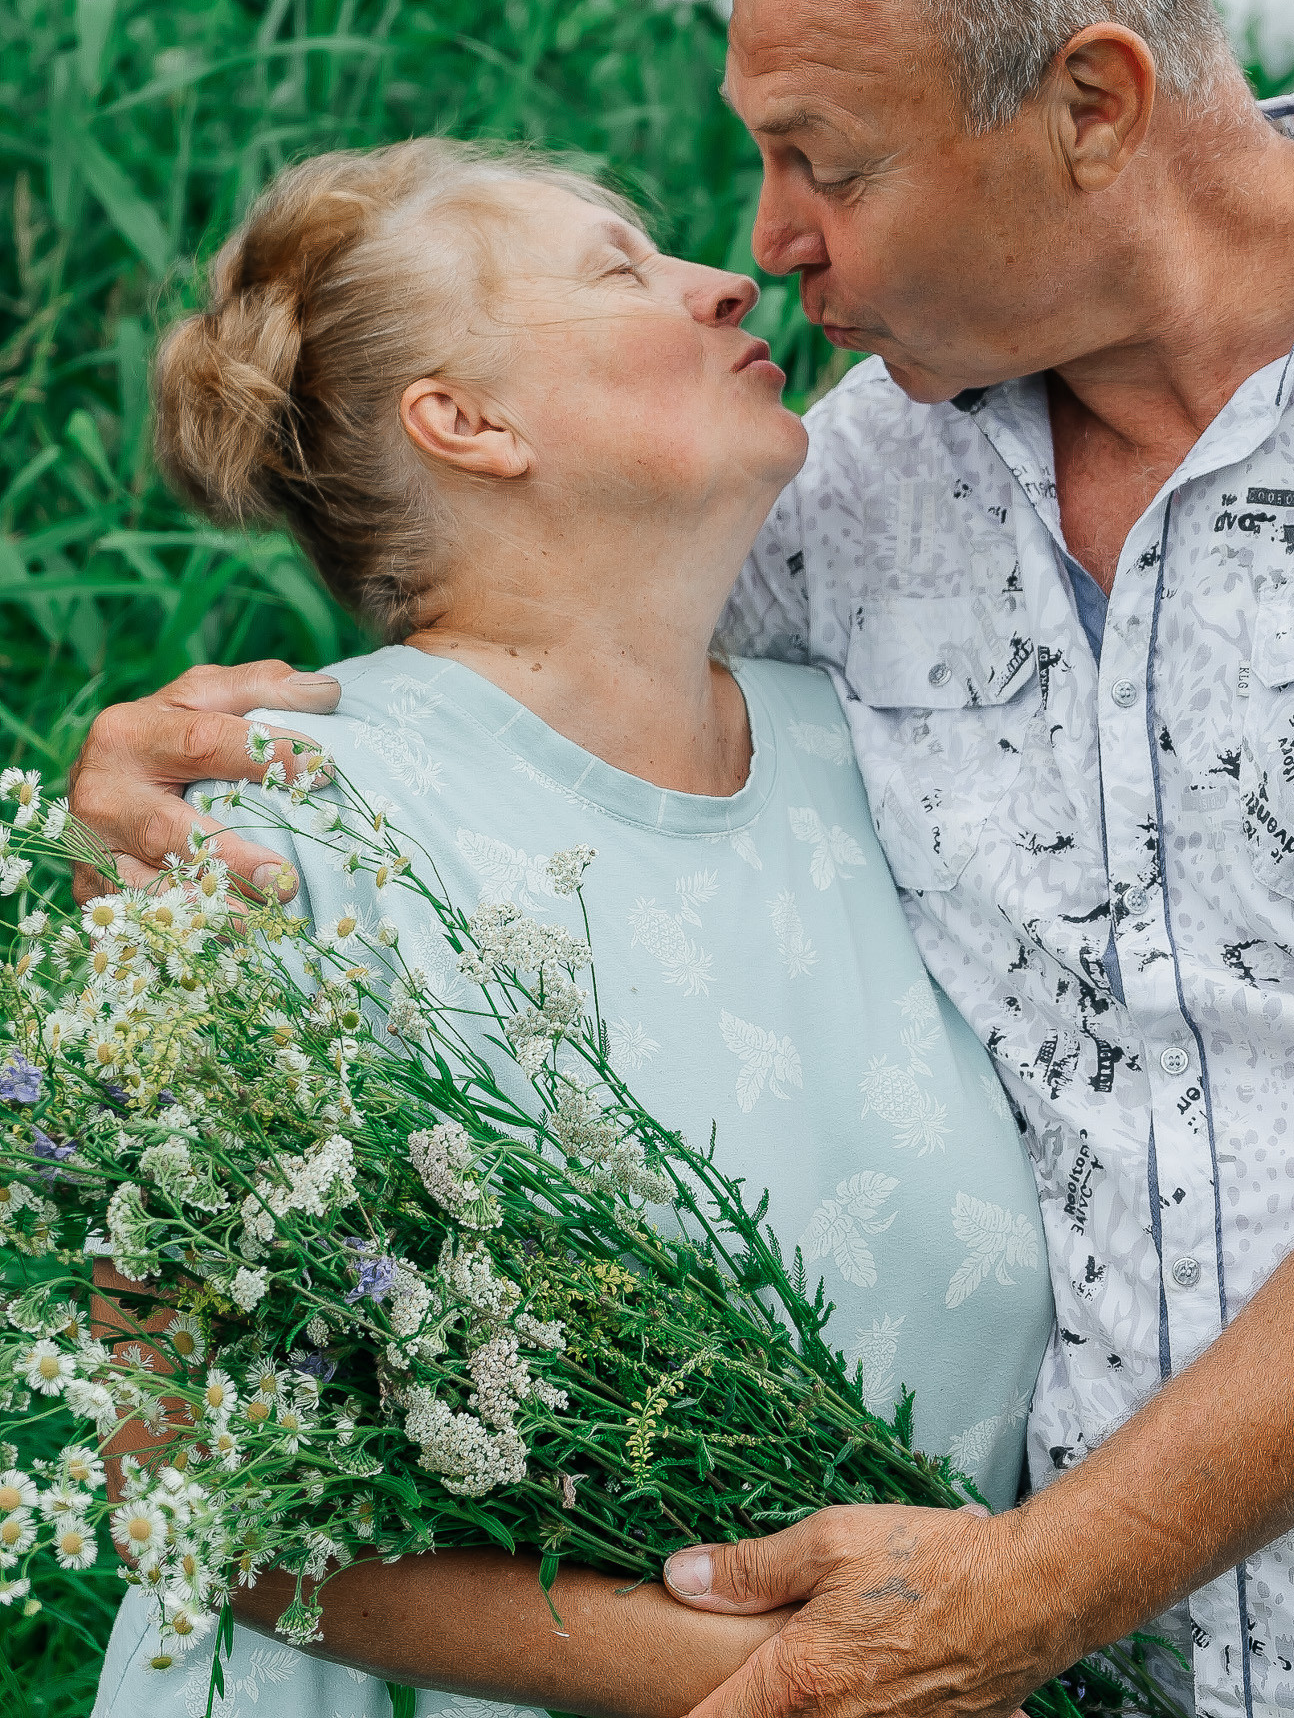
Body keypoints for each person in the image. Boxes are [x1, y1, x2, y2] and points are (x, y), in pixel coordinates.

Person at [75, 0, 1294, 1716]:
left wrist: (1029, 1593)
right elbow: (527, 649)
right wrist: (146, 790)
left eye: (819, 161)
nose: (762, 250)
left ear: (1087, 106)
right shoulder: (845, 493)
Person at [87, 139, 1053, 1718]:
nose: (727, 278)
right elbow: (169, 1454)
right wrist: (772, 1677)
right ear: (466, 424)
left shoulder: (884, 757)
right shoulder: (275, 826)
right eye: (622, 269)